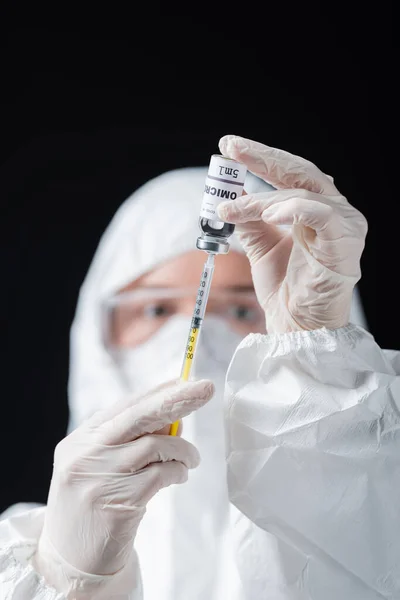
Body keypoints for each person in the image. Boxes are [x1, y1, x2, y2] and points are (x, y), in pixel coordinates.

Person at [0, 135, 398, 600]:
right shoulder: (21, 557)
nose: (201, 334)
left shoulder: (387, 534)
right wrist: (64, 579)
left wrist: (318, 368)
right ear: (98, 337)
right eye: (154, 311)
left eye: (244, 310)